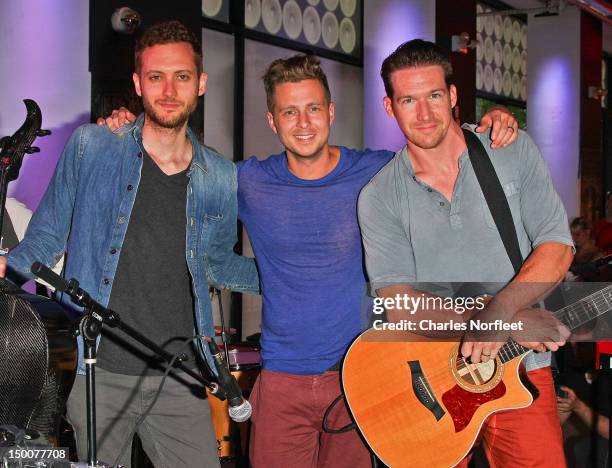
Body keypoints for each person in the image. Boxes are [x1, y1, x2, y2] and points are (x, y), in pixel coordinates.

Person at [101, 54, 518, 467]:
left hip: (361, 378)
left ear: (331, 112)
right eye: (290, 112)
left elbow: (440, 148)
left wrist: (490, 121)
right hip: (282, 379)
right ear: (273, 120)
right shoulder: (246, 181)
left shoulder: (376, 171)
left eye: (314, 108)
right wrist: (127, 130)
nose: (304, 123)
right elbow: (178, 177)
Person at [0, 20, 258, 468]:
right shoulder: (93, 146)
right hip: (101, 371)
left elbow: (216, 264)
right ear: (138, 84)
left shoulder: (220, 175)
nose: (169, 89)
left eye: (181, 76)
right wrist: (7, 269)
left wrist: (289, 276)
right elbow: (45, 236)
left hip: (180, 373)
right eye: (156, 76)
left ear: (201, 83)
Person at [358, 39, 573, 466]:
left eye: (434, 95)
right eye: (408, 100)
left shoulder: (509, 151)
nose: (423, 113)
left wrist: (501, 313)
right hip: (432, 384)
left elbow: (557, 246)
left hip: (522, 373)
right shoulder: (379, 196)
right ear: (389, 108)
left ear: (453, 96)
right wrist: (492, 320)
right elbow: (399, 303)